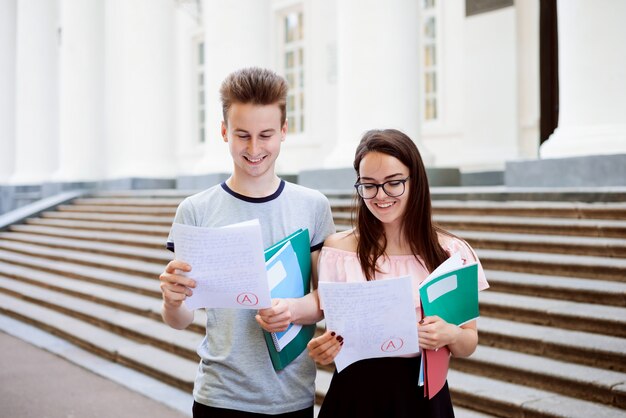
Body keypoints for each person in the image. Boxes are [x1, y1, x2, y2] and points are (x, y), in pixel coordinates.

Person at [158, 67, 335, 418]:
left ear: (284, 131)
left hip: (293, 396)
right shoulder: (195, 211)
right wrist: (172, 300)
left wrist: (293, 310)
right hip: (219, 396)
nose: (254, 148)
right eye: (242, 135)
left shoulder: (312, 206)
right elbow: (180, 320)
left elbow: (327, 300)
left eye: (266, 134)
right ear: (224, 132)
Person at [306, 129, 489, 418]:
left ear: (415, 181)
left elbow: (469, 342)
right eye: (369, 185)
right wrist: (325, 350)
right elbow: (335, 333)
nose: (381, 196)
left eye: (393, 183)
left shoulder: (452, 253)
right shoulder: (337, 251)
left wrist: (449, 333)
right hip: (354, 396)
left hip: (422, 398)